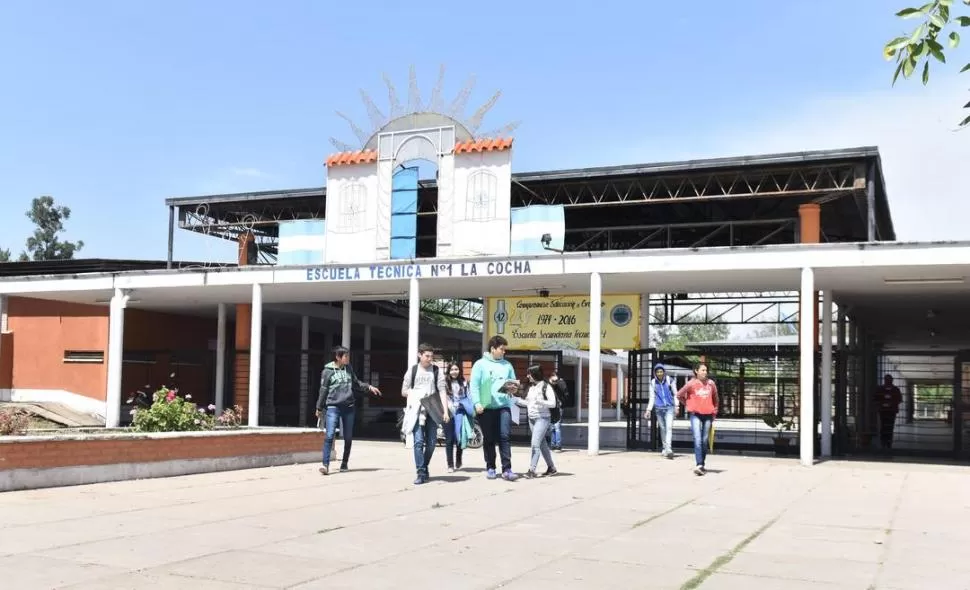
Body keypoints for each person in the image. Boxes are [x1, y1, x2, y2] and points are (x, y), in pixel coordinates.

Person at [315, 346, 382, 475]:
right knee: (329, 435)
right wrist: (319, 407)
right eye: (345, 356)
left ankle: (344, 462)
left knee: (348, 437)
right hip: (333, 406)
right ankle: (325, 464)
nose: (348, 358)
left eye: (348, 356)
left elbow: (356, 383)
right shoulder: (327, 371)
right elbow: (323, 390)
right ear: (338, 357)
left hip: (349, 407)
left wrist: (369, 387)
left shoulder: (348, 368)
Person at [470, 335, 519, 481]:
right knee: (489, 438)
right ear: (493, 349)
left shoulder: (507, 365)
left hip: (503, 406)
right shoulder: (480, 365)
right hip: (485, 408)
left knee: (505, 436)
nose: (504, 352)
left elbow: (513, 384)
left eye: (505, 350)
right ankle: (491, 467)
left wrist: (513, 389)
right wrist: (477, 403)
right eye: (502, 349)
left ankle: (507, 469)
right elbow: (474, 386)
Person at [400, 343, 450, 485]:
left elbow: (442, 391)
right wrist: (416, 394)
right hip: (417, 411)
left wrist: (445, 411)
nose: (429, 359)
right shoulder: (413, 371)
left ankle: (424, 465)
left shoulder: (436, 371)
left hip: (433, 411)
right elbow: (404, 391)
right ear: (419, 355)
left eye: (431, 356)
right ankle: (421, 472)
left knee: (432, 443)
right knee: (418, 442)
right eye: (427, 356)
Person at [516, 365, 558, 478]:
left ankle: (532, 470)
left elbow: (552, 403)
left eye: (529, 373)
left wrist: (541, 402)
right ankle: (552, 468)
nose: (527, 376)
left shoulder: (546, 386)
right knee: (542, 444)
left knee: (535, 444)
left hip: (543, 418)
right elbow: (529, 403)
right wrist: (516, 400)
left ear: (535, 374)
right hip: (532, 418)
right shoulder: (531, 387)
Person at [676, 363, 718, 476]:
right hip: (695, 414)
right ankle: (699, 464)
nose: (705, 372)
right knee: (697, 439)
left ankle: (702, 464)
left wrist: (715, 411)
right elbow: (679, 395)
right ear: (696, 371)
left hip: (708, 414)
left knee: (704, 440)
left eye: (706, 370)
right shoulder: (691, 383)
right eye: (702, 370)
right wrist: (688, 405)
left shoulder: (711, 383)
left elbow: (715, 398)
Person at [645, 363, 678, 459]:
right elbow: (652, 397)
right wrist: (648, 410)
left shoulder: (670, 380)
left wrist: (677, 406)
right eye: (657, 372)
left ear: (664, 372)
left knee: (668, 428)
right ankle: (664, 447)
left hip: (669, 407)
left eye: (661, 371)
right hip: (659, 408)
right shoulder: (653, 382)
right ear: (655, 373)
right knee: (663, 429)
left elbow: (676, 394)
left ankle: (668, 448)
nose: (659, 373)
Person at [444, 362, 471, 472]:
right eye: (452, 370)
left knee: (460, 437)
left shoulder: (464, 382)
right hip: (448, 413)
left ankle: (458, 458)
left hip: (460, 412)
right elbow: (443, 397)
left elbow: (468, 395)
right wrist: (448, 409)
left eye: (456, 369)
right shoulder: (444, 383)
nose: (454, 372)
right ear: (449, 371)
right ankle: (450, 464)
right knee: (449, 439)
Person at [874, 374, 902, 450]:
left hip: (891, 411)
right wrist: (882, 403)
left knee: (889, 426)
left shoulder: (895, 389)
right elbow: (876, 399)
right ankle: (884, 442)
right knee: (884, 426)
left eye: (889, 380)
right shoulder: (881, 389)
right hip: (883, 411)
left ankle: (888, 442)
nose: (888, 381)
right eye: (887, 379)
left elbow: (899, 399)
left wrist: (890, 403)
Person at [548, 372, 567, 451]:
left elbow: (564, 390)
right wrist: (550, 382)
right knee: (552, 427)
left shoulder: (561, 383)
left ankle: (558, 445)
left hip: (558, 407)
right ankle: (553, 444)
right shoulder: (549, 385)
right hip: (551, 407)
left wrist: (558, 381)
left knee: (557, 426)